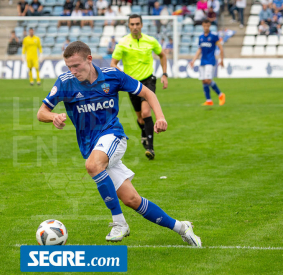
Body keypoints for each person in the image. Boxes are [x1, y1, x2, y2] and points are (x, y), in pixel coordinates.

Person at [37, 41, 202, 246]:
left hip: (113, 136)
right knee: (132, 200)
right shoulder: (64, 82)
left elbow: (147, 93)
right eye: (69, 67)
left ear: (89, 59)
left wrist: (160, 117)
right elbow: (41, 112)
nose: (73, 71)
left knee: (92, 166)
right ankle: (181, 227)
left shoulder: (112, 75)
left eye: (76, 66)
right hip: (90, 146)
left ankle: (119, 223)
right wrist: (53, 117)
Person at [110, 14, 168, 160]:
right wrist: (123, 76)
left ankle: (150, 148)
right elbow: (113, 64)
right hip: (132, 85)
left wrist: (165, 74)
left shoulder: (151, 41)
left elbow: (162, 55)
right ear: (129, 26)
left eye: (137, 24)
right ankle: (144, 132)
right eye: (132, 24)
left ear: (141, 25)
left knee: (146, 112)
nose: (135, 27)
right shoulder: (122, 43)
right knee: (140, 118)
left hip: (148, 81)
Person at [190, 19, 225, 106]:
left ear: (209, 26)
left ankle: (220, 95)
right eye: (204, 26)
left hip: (210, 61)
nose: (206, 27)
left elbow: (220, 47)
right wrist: (193, 60)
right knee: (203, 81)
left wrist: (222, 60)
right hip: (203, 61)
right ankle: (209, 100)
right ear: (202, 25)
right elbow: (199, 49)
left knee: (208, 80)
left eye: (207, 26)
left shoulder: (213, 36)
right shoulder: (201, 37)